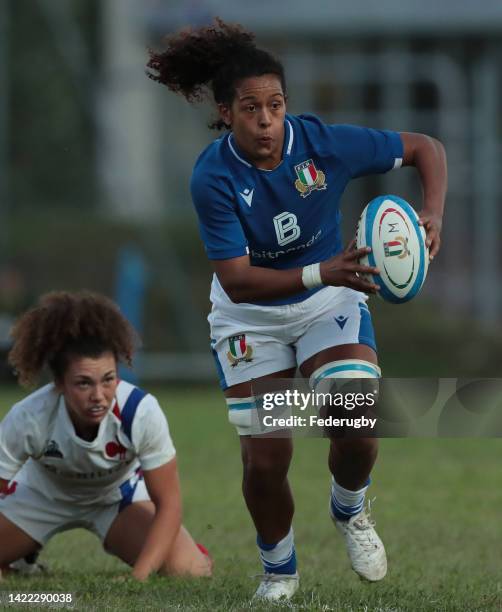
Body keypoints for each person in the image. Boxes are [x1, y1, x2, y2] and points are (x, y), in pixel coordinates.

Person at [146, 19, 446, 601]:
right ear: (226, 112)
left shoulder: (322, 145)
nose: (266, 120)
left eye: (276, 105)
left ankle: (350, 509)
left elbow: (423, 148)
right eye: (251, 108)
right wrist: (320, 269)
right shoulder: (213, 175)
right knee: (266, 457)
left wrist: (431, 213)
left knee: (354, 417)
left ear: (288, 106)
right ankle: (279, 570)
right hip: (249, 320)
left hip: (327, 302)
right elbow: (236, 282)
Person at [0, 291, 212, 581]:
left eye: (108, 379)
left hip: (115, 499)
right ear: (60, 383)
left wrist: (138, 577)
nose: (98, 396)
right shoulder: (29, 417)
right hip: (41, 497)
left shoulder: (140, 411)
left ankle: (188, 553)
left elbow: (170, 504)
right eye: (83, 383)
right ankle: (20, 556)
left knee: (190, 571)